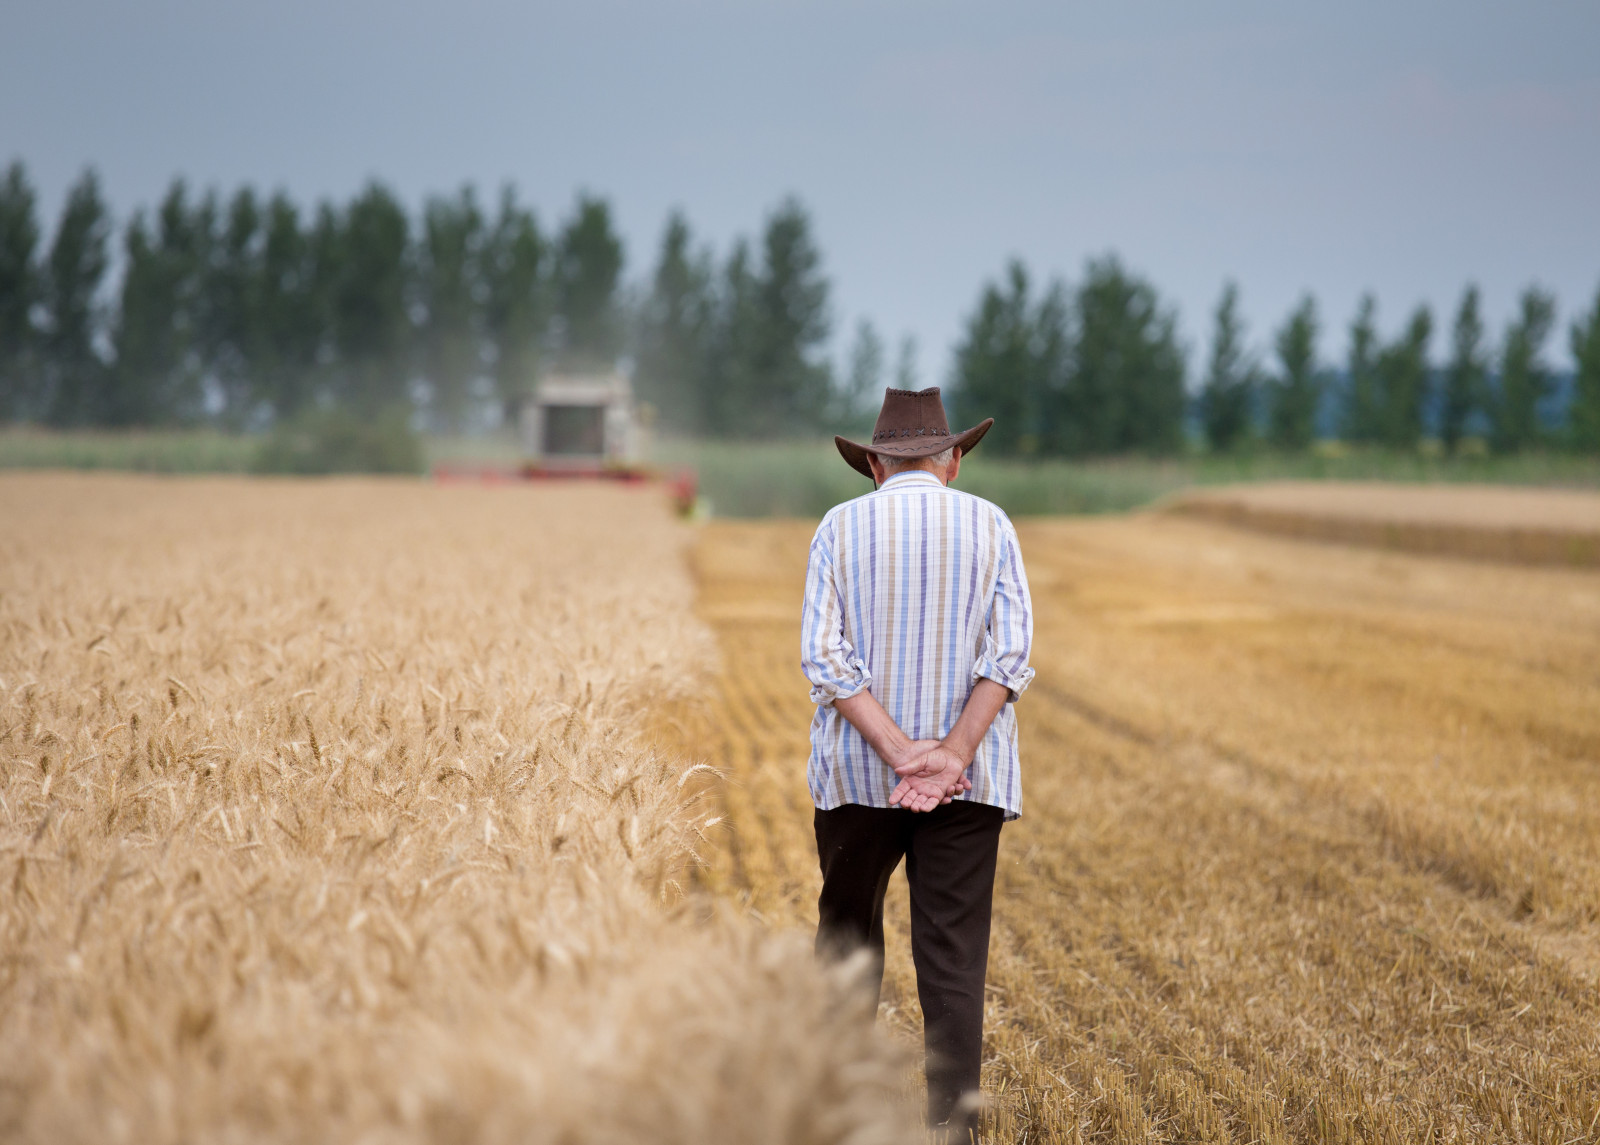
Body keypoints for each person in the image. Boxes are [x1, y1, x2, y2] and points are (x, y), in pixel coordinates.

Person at [801, 386, 1035, 1142]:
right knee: (953, 958)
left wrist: (900, 752)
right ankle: (952, 1129)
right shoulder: (992, 524)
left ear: (873, 463)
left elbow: (823, 657)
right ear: (954, 459)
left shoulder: (839, 526)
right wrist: (952, 753)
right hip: (969, 784)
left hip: (857, 779)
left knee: (846, 940)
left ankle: (836, 1116)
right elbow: (1012, 653)